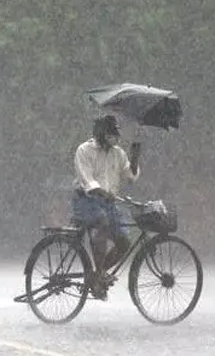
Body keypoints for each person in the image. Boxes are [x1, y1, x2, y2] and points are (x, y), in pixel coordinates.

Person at [71, 114, 141, 300]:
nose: (114, 138)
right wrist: (102, 193)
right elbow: (88, 181)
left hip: (108, 202)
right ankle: (101, 272)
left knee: (124, 241)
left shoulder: (118, 153)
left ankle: (96, 275)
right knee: (101, 222)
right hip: (86, 201)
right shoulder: (84, 150)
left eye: (115, 134)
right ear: (100, 133)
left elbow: (131, 176)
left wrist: (135, 157)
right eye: (110, 133)